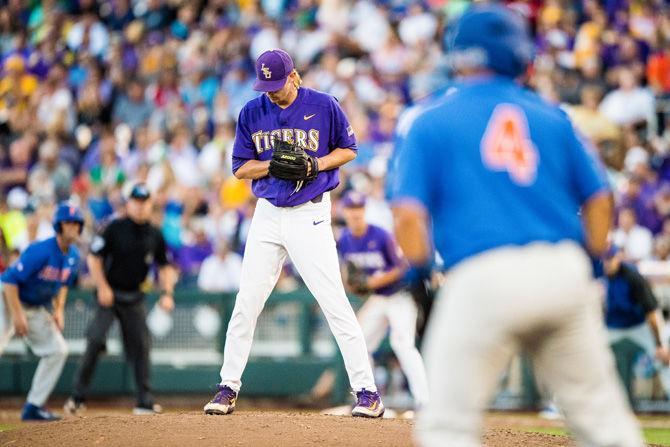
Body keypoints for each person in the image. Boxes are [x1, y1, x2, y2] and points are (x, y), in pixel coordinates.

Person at [391, 4, 644, 447]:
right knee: (603, 421)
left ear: (458, 53)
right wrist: (590, 262)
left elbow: (408, 214)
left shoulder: (430, 120)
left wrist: (416, 273)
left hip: (482, 276)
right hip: (562, 271)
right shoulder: (552, 117)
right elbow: (601, 199)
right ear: (519, 53)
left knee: (447, 426)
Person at [203, 49, 383, 418]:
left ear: (294, 77)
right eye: (265, 85)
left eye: (277, 83)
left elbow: (349, 149)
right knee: (247, 301)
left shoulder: (324, 104)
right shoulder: (252, 111)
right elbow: (239, 168)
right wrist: (272, 165)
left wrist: (316, 163)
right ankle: (227, 386)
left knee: (334, 301)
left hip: (310, 213)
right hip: (268, 214)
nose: (271, 91)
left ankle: (367, 392)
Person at [64, 183, 177, 416]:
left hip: (134, 295)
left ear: (150, 204)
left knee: (141, 347)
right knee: (95, 340)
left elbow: (165, 266)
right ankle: (77, 397)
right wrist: (103, 287)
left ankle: (144, 401)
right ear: (129, 203)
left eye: (144, 201)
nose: (140, 205)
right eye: (136, 201)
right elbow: (94, 259)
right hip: (110, 294)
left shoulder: (155, 234)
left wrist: (167, 293)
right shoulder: (114, 228)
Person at [337, 191, 429, 408]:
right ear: (345, 212)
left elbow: (401, 267)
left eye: (359, 209)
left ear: (365, 211)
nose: (355, 214)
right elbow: (346, 272)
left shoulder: (380, 235)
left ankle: (425, 402)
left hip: (400, 295)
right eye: (351, 209)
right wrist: (353, 285)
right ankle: (367, 396)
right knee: (359, 343)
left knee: (403, 344)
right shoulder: (345, 240)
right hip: (379, 299)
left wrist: (370, 284)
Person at [0, 202, 82, 421]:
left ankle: (33, 406)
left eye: (77, 223)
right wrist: (16, 315)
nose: (73, 227)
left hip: (33, 306)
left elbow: (63, 284)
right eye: (68, 223)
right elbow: (8, 281)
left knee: (57, 350)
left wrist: (59, 309)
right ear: (58, 225)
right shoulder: (41, 250)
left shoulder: (74, 256)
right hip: (7, 298)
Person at [603, 247, 670, 395]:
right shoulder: (598, 275)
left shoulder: (632, 276)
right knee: (587, 357)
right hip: (611, 328)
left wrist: (660, 344)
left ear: (618, 258)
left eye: (610, 259)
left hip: (638, 326)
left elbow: (652, 312)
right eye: (604, 259)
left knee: (664, 358)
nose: (607, 263)